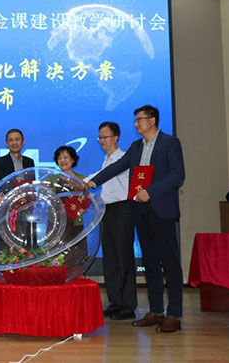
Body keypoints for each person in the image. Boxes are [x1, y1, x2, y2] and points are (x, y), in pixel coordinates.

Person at [87, 105, 185, 333]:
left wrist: (150, 191)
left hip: (162, 209)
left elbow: (177, 175)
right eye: (136, 120)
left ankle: (174, 314)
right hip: (140, 210)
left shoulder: (170, 143)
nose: (136, 124)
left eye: (139, 120)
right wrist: (93, 182)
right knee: (150, 263)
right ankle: (156, 311)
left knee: (170, 264)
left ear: (152, 120)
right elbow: (118, 166)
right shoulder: (136, 147)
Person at [85, 122, 136, 321]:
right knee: (111, 258)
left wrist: (87, 182)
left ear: (116, 137)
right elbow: (96, 176)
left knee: (124, 257)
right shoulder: (106, 160)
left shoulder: (123, 158)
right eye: (100, 138)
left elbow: (100, 178)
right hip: (107, 211)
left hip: (122, 210)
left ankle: (128, 305)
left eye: (105, 137)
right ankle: (116, 301)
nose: (102, 141)